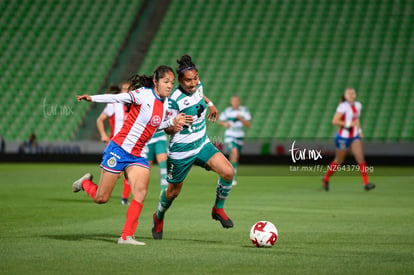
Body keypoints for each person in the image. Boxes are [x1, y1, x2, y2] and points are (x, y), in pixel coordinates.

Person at [72, 65, 193, 245]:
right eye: (166, 82)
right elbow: (116, 97)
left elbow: (156, 125)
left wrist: (172, 122)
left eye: (171, 83)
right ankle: (85, 183)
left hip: (137, 154)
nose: (169, 86)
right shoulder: (143, 94)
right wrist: (92, 98)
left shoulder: (165, 102)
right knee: (101, 198)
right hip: (119, 149)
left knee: (140, 192)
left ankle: (126, 236)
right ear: (155, 81)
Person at [151, 55, 235, 240]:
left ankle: (217, 209)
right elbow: (167, 129)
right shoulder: (173, 100)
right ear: (180, 81)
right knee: (173, 193)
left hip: (202, 143)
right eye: (188, 80)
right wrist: (175, 123)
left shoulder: (199, 86)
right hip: (181, 151)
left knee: (228, 172)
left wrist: (210, 104)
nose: (193, 83)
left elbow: (200, 95)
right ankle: (158, 216)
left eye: (195, 78)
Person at [322, 88, 375, 191]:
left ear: (355, 95)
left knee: (360, 159)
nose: (351, 95)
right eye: (349, 93)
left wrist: (359, 131)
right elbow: (335, 121)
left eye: (353, 93)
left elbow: (356, 119)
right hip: (343, 137)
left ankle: (366, 183)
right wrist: (348, 124)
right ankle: (326, 178)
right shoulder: (342, 107)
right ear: (345, 96)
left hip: (354, 136)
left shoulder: (358, 105)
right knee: (339, 160)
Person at [96, 82, 132, 205]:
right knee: (116, 175)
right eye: (124, 89)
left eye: (129, 90)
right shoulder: (114, 105)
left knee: (129, 170)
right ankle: (86, 184)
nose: (126, 92)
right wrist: (103, 135)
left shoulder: (134, 105)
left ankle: (124, 199)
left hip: (129, 144)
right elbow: (100, 120)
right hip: (115, 144)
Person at [218, 95, 251, 186]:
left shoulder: (244, 111)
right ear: (231, 102)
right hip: (230, 136)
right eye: (233, 101)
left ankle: (228, 173)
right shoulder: (227, 111)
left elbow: (248, 124)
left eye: (236, 101)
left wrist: (241, 119)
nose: (234, 103)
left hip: (240, 136)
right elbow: (220, 121)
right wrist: (225, 124)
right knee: (234, 153)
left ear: (239, 102)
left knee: (234, 158)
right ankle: (232, 178)